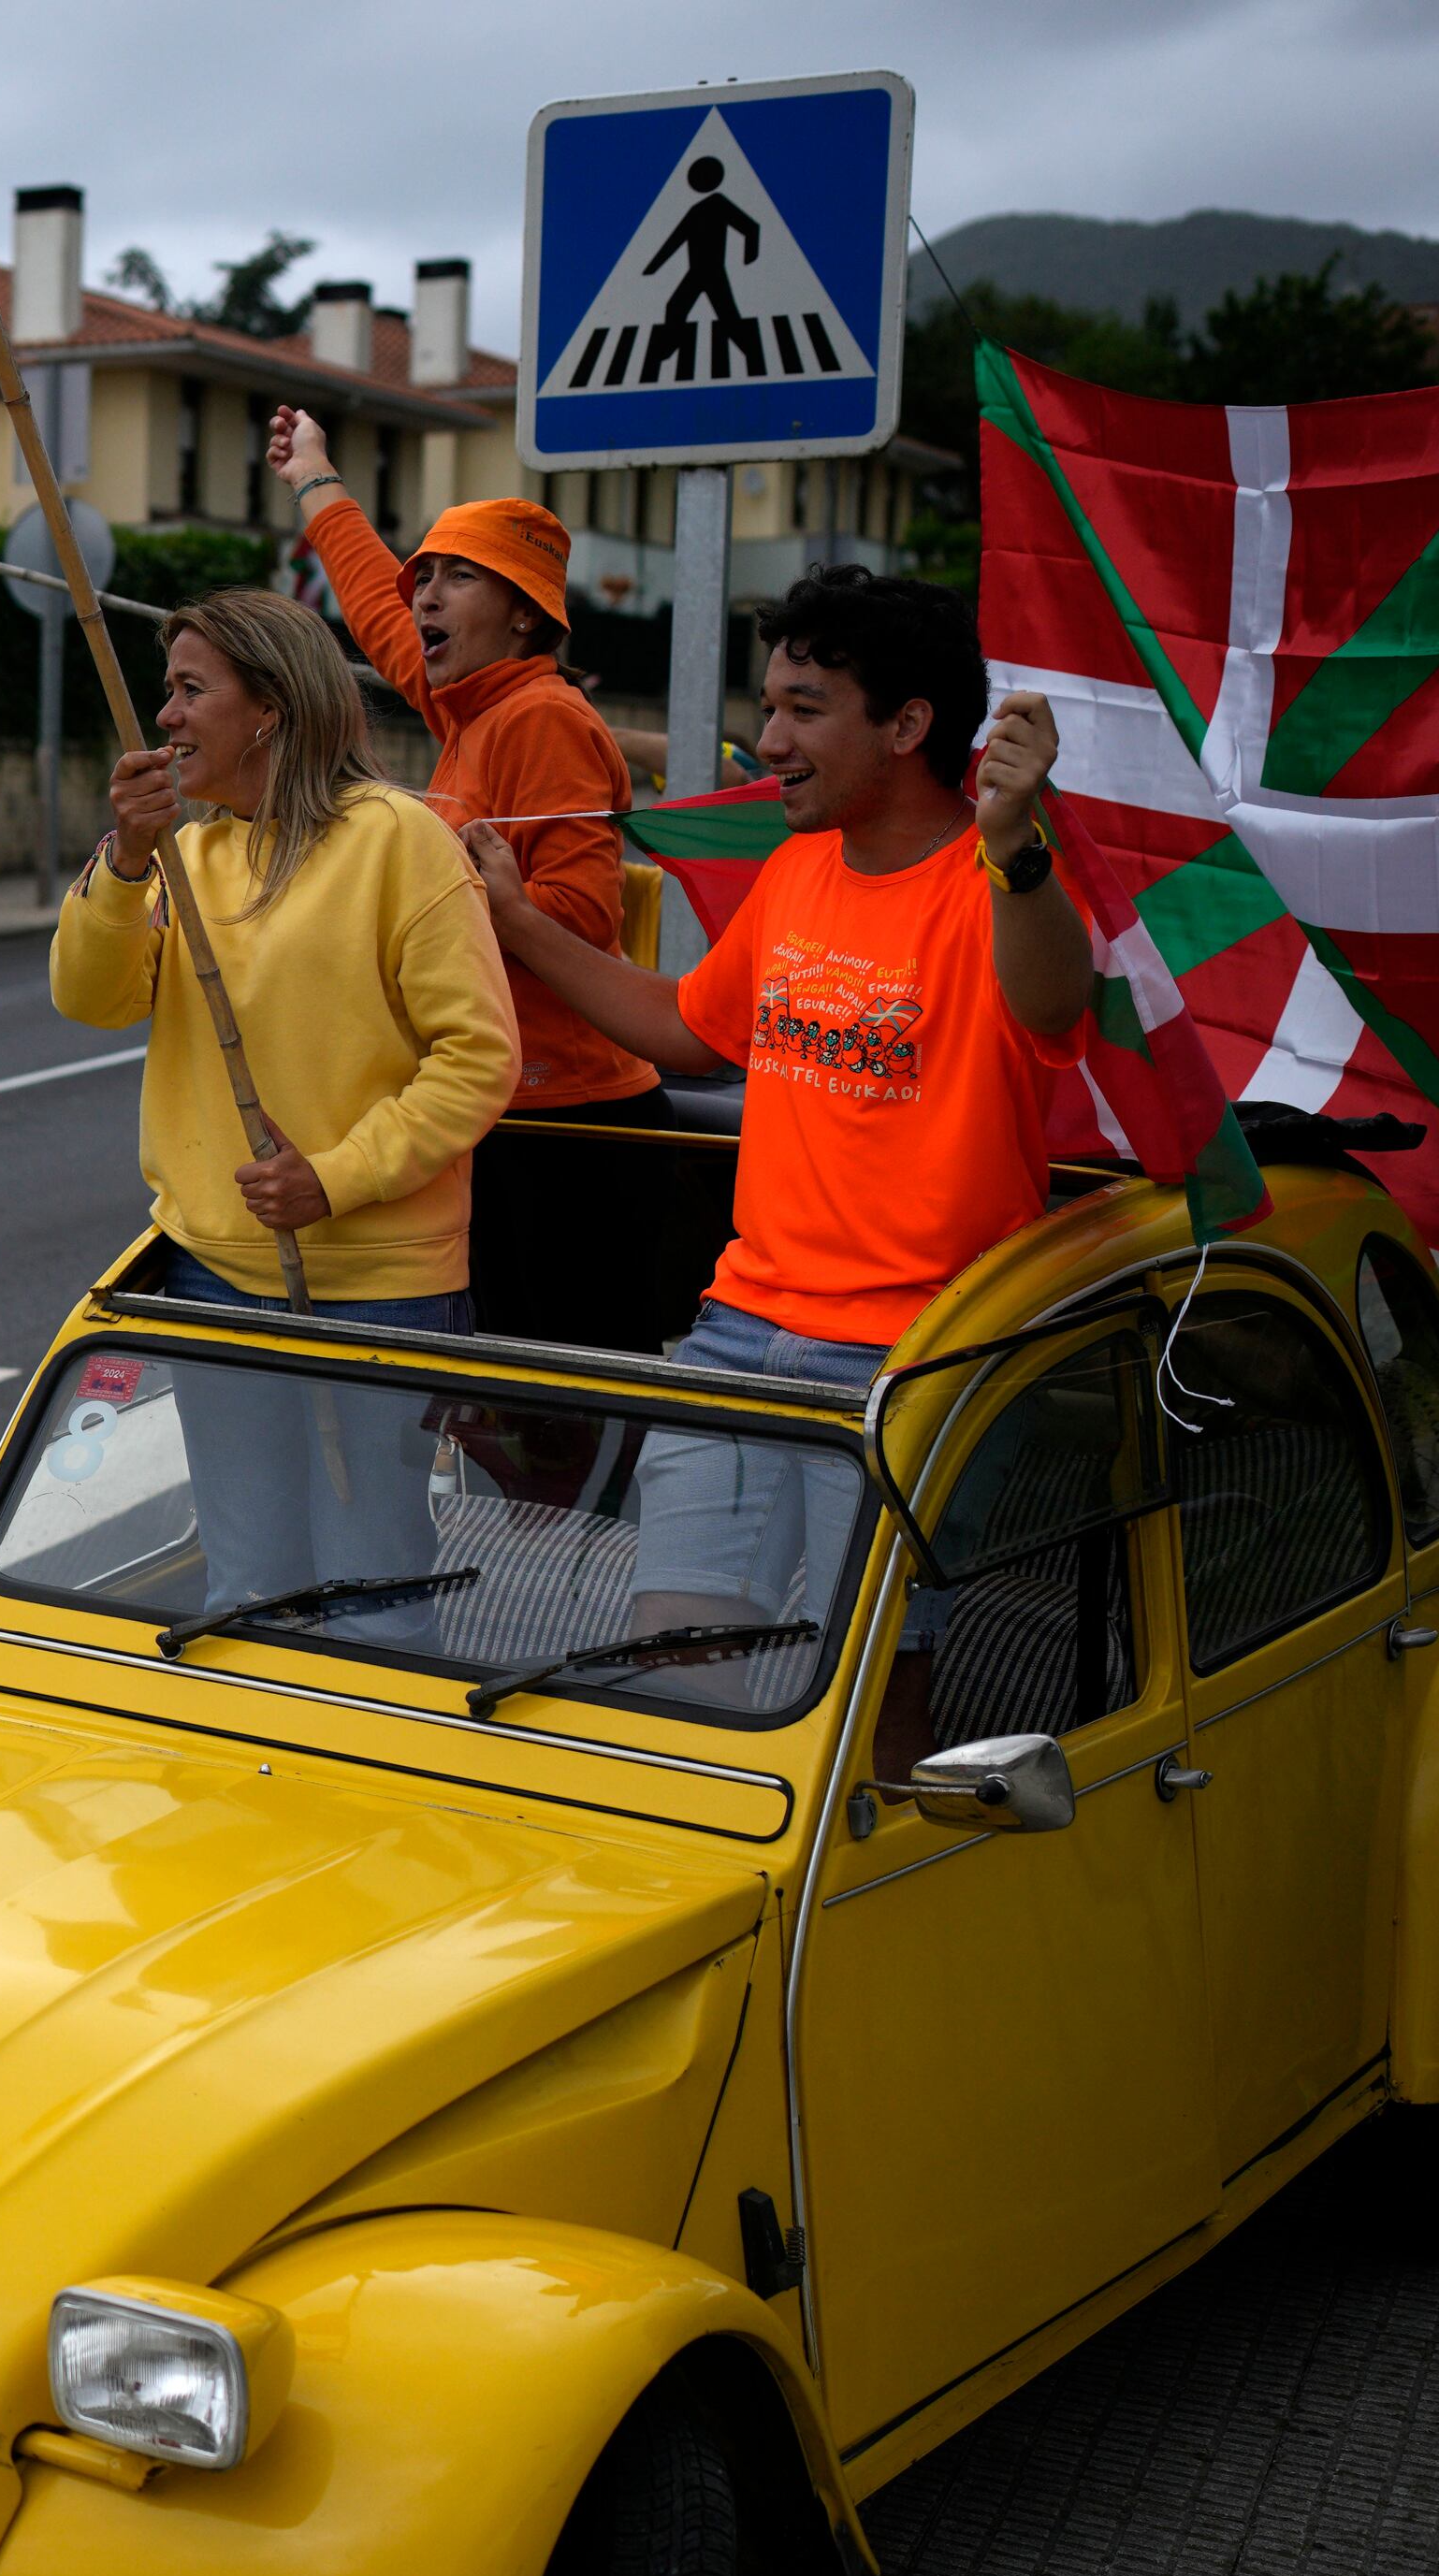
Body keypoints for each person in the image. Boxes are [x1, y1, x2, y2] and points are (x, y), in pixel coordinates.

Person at [462, 568, 1093, 1755]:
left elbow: (1057, 997)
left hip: (919, 1354)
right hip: (738, 1328)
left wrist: (1016, 850)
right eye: (770, 704)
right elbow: (686, 1030)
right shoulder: (798, 866)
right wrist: (517, 924)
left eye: (804, 708)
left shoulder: (995, 882)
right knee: (676, 1664)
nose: (768, 739)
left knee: (872, 1683)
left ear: (906, 726)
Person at [53, 588, 519, 1644]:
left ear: (268, 707)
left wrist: (335, 1174)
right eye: (164, 691)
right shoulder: (183, 854)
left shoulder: (399, 840)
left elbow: (479, 1057)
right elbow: (87, 997)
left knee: (373, 1595)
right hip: (212, 1272)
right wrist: (124, 863)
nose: (162, 716)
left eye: (188, 690)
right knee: (245, 1587)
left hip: (378, 1286)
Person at [268, 410, 664, 1135]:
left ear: (523, 615)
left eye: (458, 576)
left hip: (567, 1114)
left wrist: (416, 899)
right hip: (502, 1097)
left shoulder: (539, 717)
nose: (425, 595)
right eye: (425, 576)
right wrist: (312, 475)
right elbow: (369, 601)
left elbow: (585, 915)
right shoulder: (469, 704)